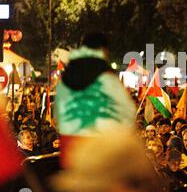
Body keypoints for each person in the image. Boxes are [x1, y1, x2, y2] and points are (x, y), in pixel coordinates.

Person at [54, 32, 136, 161]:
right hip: (99, 152)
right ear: (103, 49)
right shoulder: (105, 74)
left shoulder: (67, 75)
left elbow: (58, 115)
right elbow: (127, 114)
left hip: (69, 150)